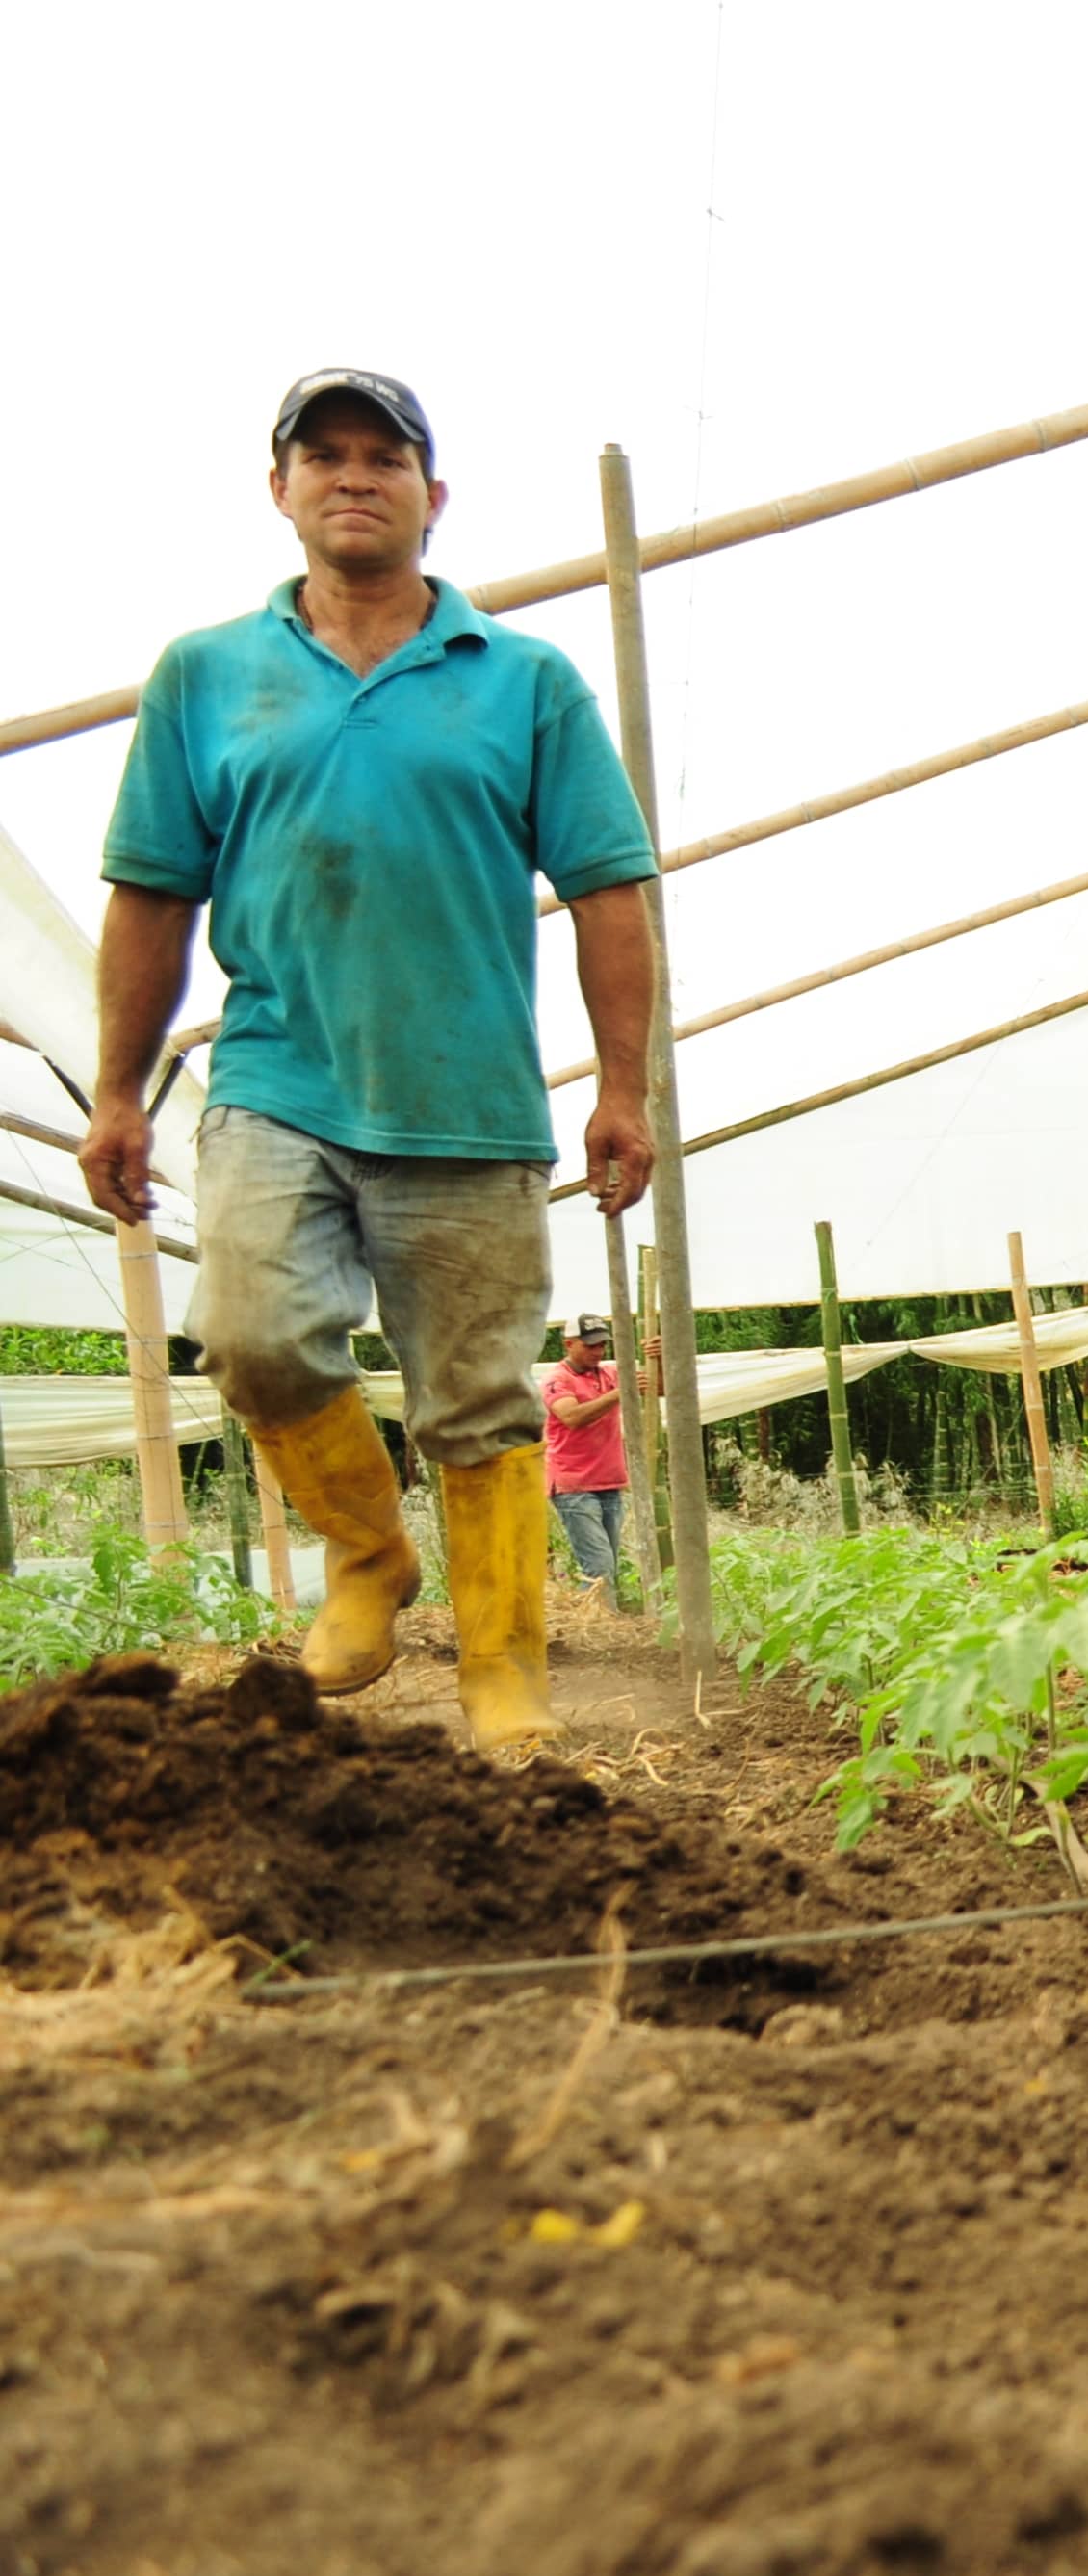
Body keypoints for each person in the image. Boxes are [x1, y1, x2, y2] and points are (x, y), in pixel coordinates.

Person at [79, 371, 661, 1750]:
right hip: (277, 1076)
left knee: (476, 1398)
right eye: (323, 455)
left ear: (431, 497)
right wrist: (117, 1087)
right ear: (279, 489)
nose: (355, 476)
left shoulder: (522, 682)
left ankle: (504, 1667)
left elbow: (611, 889)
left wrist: (623, 1087)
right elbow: (152, 893)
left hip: (468, 1101)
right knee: (253, 1333)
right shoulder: (204, 677)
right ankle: (367, 1555)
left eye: (385, 457)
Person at [541, 1315, 631, 1608]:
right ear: (569, 1344)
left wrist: (658, 1355)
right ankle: (601, 1629)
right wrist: (619, 1395)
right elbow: (572, 1417)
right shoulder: (557, 1380)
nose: (598, 1351)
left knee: (609, 1565)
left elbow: (658, 1386)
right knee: (599, 1566)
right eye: (591, 1345)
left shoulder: (610, 1374)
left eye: (603, 1345)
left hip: (609, 1480)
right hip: (574, 1485)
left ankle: (598, 1622)